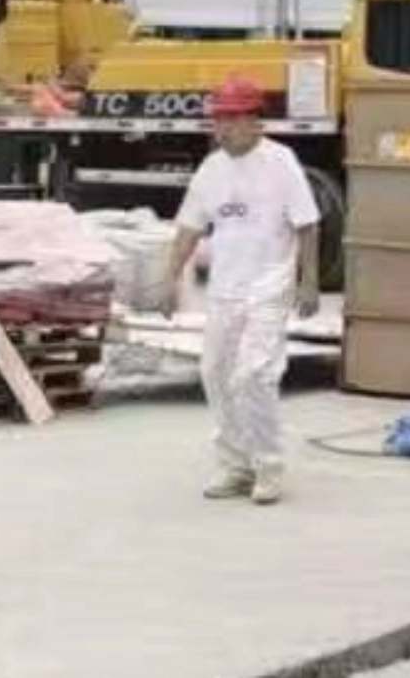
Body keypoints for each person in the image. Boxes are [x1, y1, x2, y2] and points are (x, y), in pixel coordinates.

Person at [164, 73, 320, 506]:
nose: (223, 128)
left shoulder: (281, 162)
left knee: (253, 374)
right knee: (214, 372)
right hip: (226, 288)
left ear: (256, 120)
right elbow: (188, 228)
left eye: (232, 118)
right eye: (219, 119)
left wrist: (309, 281)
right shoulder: (211, 170)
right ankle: (236, 465)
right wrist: (169, 278)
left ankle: (268, 466)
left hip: (269, 284)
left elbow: (307, 224)